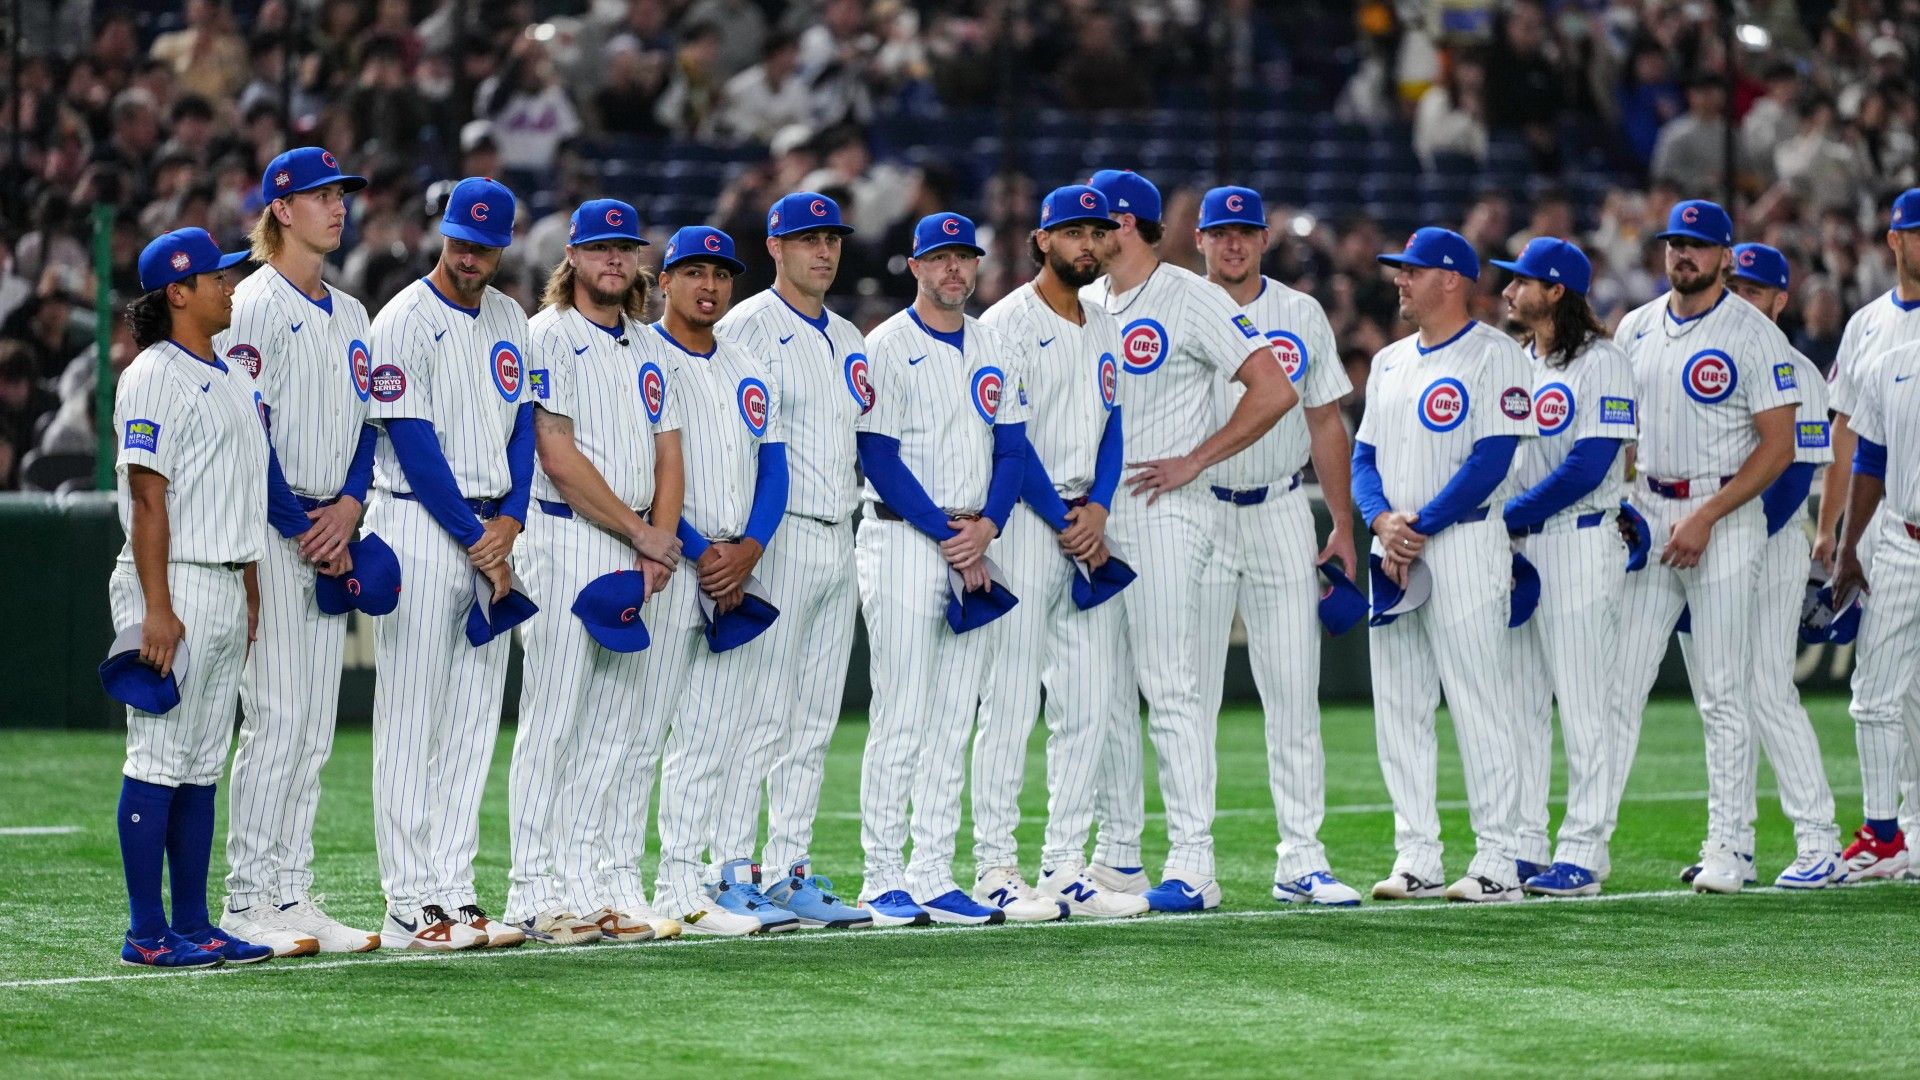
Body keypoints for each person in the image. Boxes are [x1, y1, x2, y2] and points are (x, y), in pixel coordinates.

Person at [1080, 169, 1298, 912]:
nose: (1087, 234)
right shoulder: (1084, 303)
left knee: (1170, 685)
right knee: (1102, 690)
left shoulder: (1190, 295)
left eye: (1097, 221)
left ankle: (1194, 863)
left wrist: (1196, 458)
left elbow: (1274, 389)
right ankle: (1117, 856)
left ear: (1130, 226)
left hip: (1170, 512)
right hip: (1099, 518)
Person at [1604, 200, 1802, 895]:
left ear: (1724, 256)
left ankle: (1731, 848)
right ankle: (1588, 845)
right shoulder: (1634, 327)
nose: (1682, 255)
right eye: (1674, 244)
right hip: (1652, 509)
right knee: (1617, 689)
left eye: (1697, 246)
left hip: (1725, 513)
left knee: (1722, 691)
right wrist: (1625, 502)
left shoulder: (1752, 334)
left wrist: (1710, 515)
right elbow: (1619, 431)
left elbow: (1779, 447)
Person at [503, 198, 687, 945]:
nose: (615, 260)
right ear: (572, 258)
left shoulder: (649, 344)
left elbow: (670, 451)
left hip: (636, 550)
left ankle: (592, 885)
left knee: (615, 727)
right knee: (553, 723)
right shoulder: (546, 335)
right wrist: (645, 533)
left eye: (626, 249)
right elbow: (557, 455)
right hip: (564, 537)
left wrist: (660, 541)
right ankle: (532, 891)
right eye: (601, 249)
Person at [214, 147, 383, 957]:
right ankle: (248, 899)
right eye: (322, 195)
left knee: (312, 729)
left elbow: (366, 431)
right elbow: (249, 432)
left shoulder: (351, 314)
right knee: (276, 721)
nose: (339, 206)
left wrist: (349, 508)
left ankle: (292, 890)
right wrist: (304, 526)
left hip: (331, 531)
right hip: (274, 535)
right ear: (281, 208)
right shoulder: (248, 302)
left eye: (342, 194)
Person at [364, 177, 535, 950]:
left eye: (483, 245)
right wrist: (479, 535)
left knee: (471, 721)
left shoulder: (510, 317)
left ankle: (455, 892)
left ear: (503, 245)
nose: (468, 255)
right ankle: (408, 903)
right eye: (460, 241)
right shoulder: (402, 317)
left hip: (489, 529)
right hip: (418, 522)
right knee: (411, 715)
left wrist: (510, 520)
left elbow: (526, 427)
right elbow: (412, 442)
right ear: (444, 233)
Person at [969, 185, 1144, 921]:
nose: (1087, 243)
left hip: (1088, 524)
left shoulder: (1104, 324)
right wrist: (1065, 518)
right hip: (1024, 523)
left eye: (1097, 232)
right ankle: (994, 865)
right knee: (1009, 701)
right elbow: (1009, 441)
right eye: (1072, 231)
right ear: (1042, 239)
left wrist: (1098, 509)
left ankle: (1067, 862)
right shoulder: (1005, 322)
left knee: (1089, 704)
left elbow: (1113, 428)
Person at [853, 212, 1030, 927]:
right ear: (916, 266)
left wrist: (986, 526)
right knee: (902, 709)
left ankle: (932, 870)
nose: (955, 270)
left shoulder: (992, 343)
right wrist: (950, 534)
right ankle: (881, 874)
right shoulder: (887, 344)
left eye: (965, 258)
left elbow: (1013, 450)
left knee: (955, 714)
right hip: (901, 537)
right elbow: (877, 454)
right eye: (941, 259)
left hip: (972, 541)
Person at [1354, 227, 1537, 903]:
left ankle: (1499, 859)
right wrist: (1382, 522)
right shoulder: (1390, 361)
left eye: (1413, 270)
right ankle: (1418, 855)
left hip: (1460, 543)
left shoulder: (1495, 355)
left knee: (1478, 700)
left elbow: (1492, 460)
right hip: (1395, 544)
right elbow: (1362, 456)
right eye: (1400, 271)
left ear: (1452, 279)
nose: (1400, 280)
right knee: (1398, 705)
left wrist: (1418, 526)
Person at [1192, 185, 1362, 907]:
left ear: (1265, 240)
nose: (1233, 244)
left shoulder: (1299, 312)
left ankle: (1304, 858)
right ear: (1197, 240)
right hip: (1194, 510)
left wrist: (1343, 527)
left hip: (1282, 508)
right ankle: (1190, 860)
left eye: (1245, 233)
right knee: (1189, 693)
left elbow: (1327, 422)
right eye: (1220, 233)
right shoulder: (1176, 304)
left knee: (1293, 690)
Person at [708, 192, 873, 929]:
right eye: (807, 239)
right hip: (775, 538)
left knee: (812, 719)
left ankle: (787, 869)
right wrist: (742, 545)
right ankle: (728, 867)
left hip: (842, 530)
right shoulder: (746, 326)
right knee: (759, 714)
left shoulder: (849, 334)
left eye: (831, 239)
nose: (824, 251)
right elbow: (734, 448)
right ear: (774, 247)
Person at [111, 226, 274, 967]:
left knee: (202, 762)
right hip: (171, 579)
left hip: (221, 575)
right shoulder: (152, 374)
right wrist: (156, 606)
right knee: (157, 757)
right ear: (178, 292)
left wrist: (246, 585)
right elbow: (149, 499)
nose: (230, 284)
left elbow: (237, 492)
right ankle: (147, 933)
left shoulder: (231, 373)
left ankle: (195, 923)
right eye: (216, 277)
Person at [1675, 242, 1843, 889]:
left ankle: (1820, 841)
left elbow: (1794, 475)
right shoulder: (1706, 354)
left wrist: (1725, 537)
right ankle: (1733, 845)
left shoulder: (1795, 367)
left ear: (1779, 298)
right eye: (1735, 284)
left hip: (1764, 543)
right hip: (1708, 540)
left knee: (1767, 689)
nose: (1743, 297)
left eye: (1755, 289)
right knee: (1722, 697)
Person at [649, 225, 788, 937]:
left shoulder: (747, 362)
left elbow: (775, 465)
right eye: (695, 272)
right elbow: (643, 470)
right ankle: (665, 885)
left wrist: (751, 549)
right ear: (664, 281)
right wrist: (708, 553)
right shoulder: (643, 355)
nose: (710, 285)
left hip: (738, 564)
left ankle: (697, 884)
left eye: (721, 274)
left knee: (721, 732)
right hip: (673, 562)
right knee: (657, 735)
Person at [1493, 238, 1635, 897]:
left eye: (1521, 281)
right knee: (1522, 703)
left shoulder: (1602, 363)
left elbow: (1590, 466)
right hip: (1520, 545)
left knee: (1584, 705)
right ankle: (1526, 843)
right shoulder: (1515, 360)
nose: (1508, 290)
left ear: (1554, 291)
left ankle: (1583, 849)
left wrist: (1509, 515)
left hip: (1577, 541)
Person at [1815, 187, 1920, 879]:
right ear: (1894, 237)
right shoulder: (1874, 337)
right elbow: (1859, 444)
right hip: (1901, 538)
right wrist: (1842, 539)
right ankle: (1889, 834)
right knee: (1884, 695)